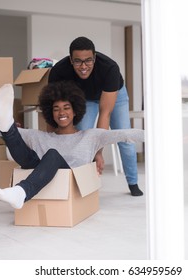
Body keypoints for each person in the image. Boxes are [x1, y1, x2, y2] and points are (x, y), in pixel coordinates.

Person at [0, 81, 144, 209]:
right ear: (51, 113)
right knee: (13, 136)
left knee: (53, 155)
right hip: (37, 169)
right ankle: (8, 124)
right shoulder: (41, 137)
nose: (61, 112)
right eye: (56, 108)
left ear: (75, 111)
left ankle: (21, 192)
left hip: (72, 182)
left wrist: (161, 135)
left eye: (66, 107)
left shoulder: (91, 136)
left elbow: (126, 134)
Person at [48, 36, 143, 196]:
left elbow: (105, 113)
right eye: (78, 61)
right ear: (71, 60)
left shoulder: (110, 68)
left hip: (115, 95)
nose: (84, 66)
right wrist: (51, 141)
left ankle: (133, 183)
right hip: (85, 98)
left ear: (95, 58)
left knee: (124, 138)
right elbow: (52, 109)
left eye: (88, 61)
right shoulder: (59, 71)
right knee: (81, 135)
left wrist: (98, 152)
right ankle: (79, 182)